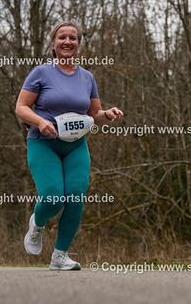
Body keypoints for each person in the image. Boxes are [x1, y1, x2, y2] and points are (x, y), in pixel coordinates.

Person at [16, 20, 123, 270]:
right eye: (62, 37)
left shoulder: (87, 77)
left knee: (76, 196)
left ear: (78, 44)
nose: (67, 42)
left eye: (72, 38)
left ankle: (60, 256)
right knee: (53, 198)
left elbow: (94, 114)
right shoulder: (41, 73)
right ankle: (37, 224)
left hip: (76, 145)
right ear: (53, 44)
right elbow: (21, 107)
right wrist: (40, 122)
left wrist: (107, 115)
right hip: (44, 143)